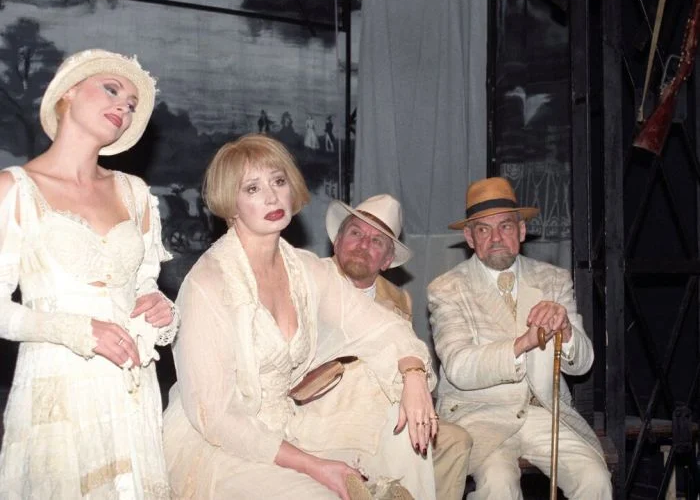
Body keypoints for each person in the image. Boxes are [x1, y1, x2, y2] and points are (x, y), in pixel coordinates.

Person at [163, 134, 438, 500]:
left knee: (389, 452)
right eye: (252, 188)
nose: (272, 197)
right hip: (221, 446)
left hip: (291, 428)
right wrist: (313, 465)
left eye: (278, 181)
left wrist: (414, 374)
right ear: (231, 203)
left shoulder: (307, 270)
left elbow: (384, 327)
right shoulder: (209, 284)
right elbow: (214, 418)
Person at [0, 49, 177, 497]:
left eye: (131, 104)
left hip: (131, 388)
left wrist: (159, 308)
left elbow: (144, 285)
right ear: (68, 94)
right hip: (58, 387)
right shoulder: (15, 189)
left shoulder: (134, 192)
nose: (123, 107)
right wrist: (76, 330)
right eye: (111, 90)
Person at [427, 177, 611, 500]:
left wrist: (566, 330)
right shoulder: (447, 288)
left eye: (506, 226)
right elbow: (459, 366)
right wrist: (523, 343)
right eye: (483, 229)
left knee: (595, 481)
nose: (496, 238)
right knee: (498, 485)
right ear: (470, 237)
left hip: (545, 413)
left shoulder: (553, 279)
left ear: (522, 231)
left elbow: (582, 365)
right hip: (480, 416)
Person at [316, 194, 472, 500]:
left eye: (377, 241)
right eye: (356, 233)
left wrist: (414, 379)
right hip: (324, 408)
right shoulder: (312, 279)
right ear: (337, 241)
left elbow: (406, 351)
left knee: (456, 442)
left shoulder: (399, 299)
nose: (363, 244)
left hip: (385, 403)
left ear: (387, 260)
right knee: (398, 435)